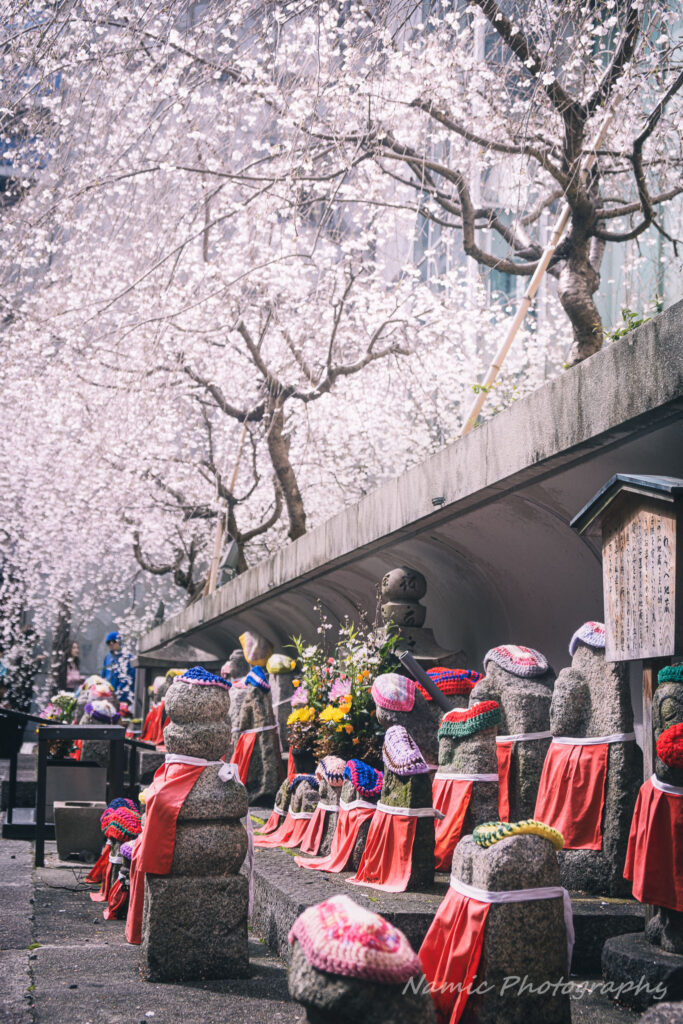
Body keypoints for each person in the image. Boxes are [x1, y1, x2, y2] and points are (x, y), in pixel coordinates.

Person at [101, 631, 135, 704]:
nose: (111, 643)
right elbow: (103, 676)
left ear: (119, 642)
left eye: (113, 641)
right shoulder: (107, 658)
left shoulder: (127, 657)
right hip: (109, 696)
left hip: (125, 698)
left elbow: (132, 677)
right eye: (108, 642)